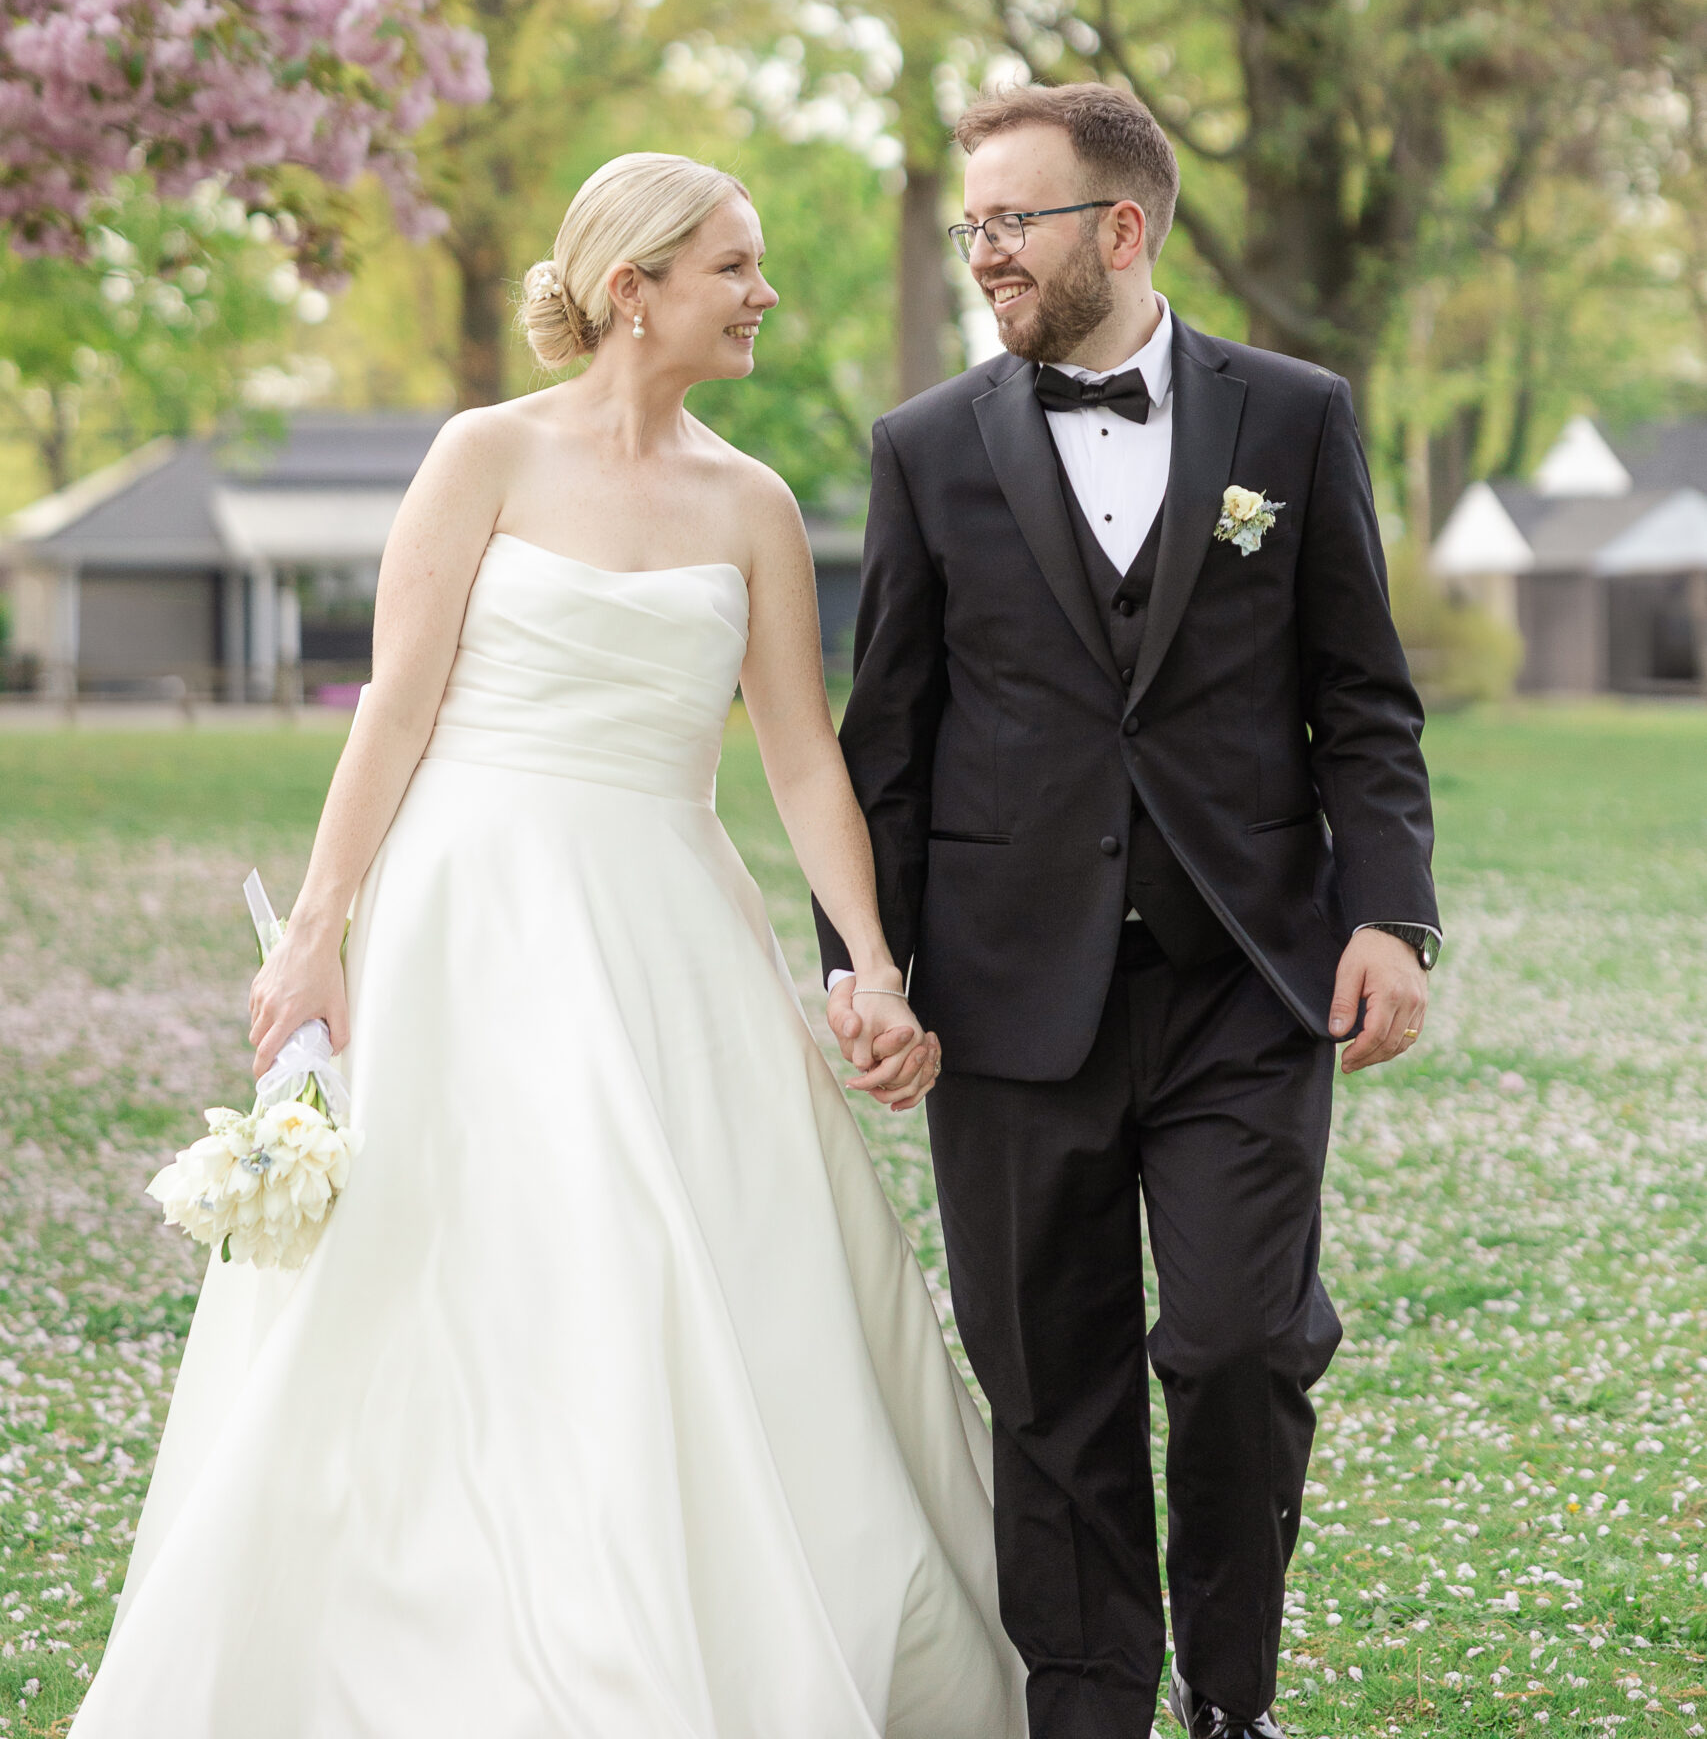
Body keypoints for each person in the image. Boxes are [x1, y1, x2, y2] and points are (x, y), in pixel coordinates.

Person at [78, 152, 1026, 1739]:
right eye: (734, 266)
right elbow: (394, 704)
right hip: (472, 910)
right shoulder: (484, 456)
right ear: (631, 288)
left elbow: (803, 758)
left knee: (675, 1251)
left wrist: (869, 966)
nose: (765, 293)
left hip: (666, 917)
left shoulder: (754, 503)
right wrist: (315, 935)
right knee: (473, 1256)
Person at [816, 85, 1439, 1739]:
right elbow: (887, 743)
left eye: (1011, 222)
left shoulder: (1292, 418)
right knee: (1050, 1380)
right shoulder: (924, 447)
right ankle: (1089, 1707)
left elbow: (1363, 697)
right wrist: (868, 967)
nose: (984, 254)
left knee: (1241, 1344)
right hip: (1009, 991)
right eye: (971, 226)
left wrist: (1392, 917)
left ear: (1122, 227)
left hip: (1247, 976)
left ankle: (1233, 1704)